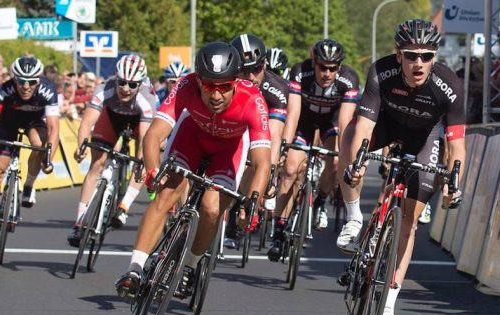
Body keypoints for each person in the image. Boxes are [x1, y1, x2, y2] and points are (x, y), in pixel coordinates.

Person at [114, 42, 271, 300]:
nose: (216, 95)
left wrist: (252, 203)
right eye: (209, 86)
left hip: (228, 150)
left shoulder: (253, 100)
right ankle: (134, 268)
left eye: (224, 87)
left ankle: (190, 265)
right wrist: (154, 170)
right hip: (191, 137)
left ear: (236, 81)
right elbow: (153, 136)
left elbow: (262, 162)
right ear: (198, 80)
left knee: (211, 208)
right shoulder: (186, 85)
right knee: (167, 193)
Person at [339, 19, 466, 315]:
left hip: (424, 139)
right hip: (386, 126)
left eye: (426, 55)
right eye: (411, 55)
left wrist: (452, 184)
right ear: (399, 55)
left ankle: (389, 307)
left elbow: (456, 145)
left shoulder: (450, 85)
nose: (418, 63)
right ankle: (354, 218)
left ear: (435, 56)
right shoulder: (381, 71)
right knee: (350, 138)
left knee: (409, 220)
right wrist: (358, 164)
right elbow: (366, 127)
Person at [267, 38, 360, 262]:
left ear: (339, 67)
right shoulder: (300, 72)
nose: (327, 73)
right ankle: (278, 231)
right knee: (290, 171)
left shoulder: (349, 79)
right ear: (314, 62)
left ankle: (320, 202)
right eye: (322, 67)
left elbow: (346, 121)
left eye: (332, 68)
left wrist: (344, 152)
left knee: (337, 161)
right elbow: (293, 114)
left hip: (332, 122)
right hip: (304, 123)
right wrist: (285, 146)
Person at [67, 54, 158, 246]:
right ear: (115, 79)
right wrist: (81, 146)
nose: (126, 89)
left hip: (138, 121)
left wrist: (141, 160)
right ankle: (79, 222)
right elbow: (87, 122)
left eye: (132, 85)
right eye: (122, 82)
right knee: (96, 165)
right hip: (111, 118)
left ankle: (124, 207)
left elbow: (144, 139)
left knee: (142, 162)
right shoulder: (104, 89)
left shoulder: (147, 97)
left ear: (140, 84)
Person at [0, 56, 59, 251]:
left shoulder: (48, 90)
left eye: (31, 82)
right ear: (14, 79)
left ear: (39, 80)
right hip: (8, 123)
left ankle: (29, 184)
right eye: (21, 81)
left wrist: (49, 158)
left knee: (39, 145)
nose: (26, 86)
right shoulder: (4, 90)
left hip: (34, 122)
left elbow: (54, 129)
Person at [222, 33, 289, 249]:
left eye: (256, 69)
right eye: (243, 70)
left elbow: (274, 136)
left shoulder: (276, 88)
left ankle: (240, 202)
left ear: (265, 65)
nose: (250, 77)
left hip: (259, 130)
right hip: (228, 128)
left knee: (258, 158)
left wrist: (270, 173)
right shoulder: (223, 82)